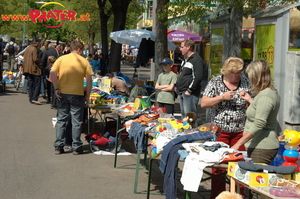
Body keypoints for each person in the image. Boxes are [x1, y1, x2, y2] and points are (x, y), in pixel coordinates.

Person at [201, 57, 253, 199]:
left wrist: (248, 100)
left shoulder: (245, 82)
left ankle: (238, 196)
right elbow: (204, 103)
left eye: (240, 72)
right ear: (227, 72)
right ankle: (218, 196)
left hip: (239, 131)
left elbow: (252, 105)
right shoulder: (215, 82)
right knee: (218, 167)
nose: (239, 75)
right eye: (236, 72)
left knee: (240, 166)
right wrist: (221, 97)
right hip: (220, 131)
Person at [231, 59, 280, 164]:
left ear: (256, 76)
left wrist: (238, 144)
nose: (249, 79)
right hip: (259, 145)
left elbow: (259, 123)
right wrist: (249, 100)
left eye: (250, 76)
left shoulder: (266, 96)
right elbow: (262, 109)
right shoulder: (269, 92)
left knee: (256, 178)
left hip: (261, 146)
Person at [50, 40, 93, 155]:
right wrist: (87, 97)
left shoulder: (61, 59)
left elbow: (53, 72)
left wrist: (55, 88)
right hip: (77, 94)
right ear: (79, 50)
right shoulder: (84, 61)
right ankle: (76, 146)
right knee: (76, 121)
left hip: (62, 93)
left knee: (61, 120)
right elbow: (89, 80)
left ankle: (59, 146)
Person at [176, 39, 204, 120]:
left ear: (188, 47)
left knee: (190, 118)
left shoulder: (196, 60)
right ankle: (185, 132)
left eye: (182, 47)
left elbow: (198, 77)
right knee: (184, 117)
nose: (180, 49)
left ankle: (191, 132)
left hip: (189, 93)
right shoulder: (185, 59)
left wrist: (189, 90)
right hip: (182, 91)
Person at [23, 38, 42, 105]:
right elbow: (35, 59)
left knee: (30, 84)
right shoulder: (34, 49)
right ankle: (35, 98)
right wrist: (40, 61)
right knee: (37, 83)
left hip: (27, 68)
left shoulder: (28, 48)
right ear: (36, 43)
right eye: (39, 43)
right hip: (34, 69)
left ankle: (31, 98)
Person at [42, 43, 60, 107]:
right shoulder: (58, 52)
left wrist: (44, 69)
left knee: (49, 86)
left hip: (48, 69)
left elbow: (43, 61)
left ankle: (49, 98)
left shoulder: (46, 52)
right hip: (56, 69)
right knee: (55, 86)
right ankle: (55, 100)